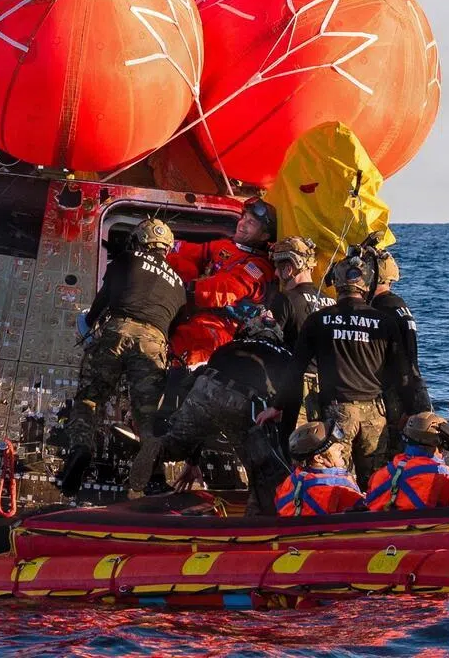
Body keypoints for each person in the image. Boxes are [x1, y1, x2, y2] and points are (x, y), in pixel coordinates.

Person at [261, 248, 418, 489]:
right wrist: (413, 409)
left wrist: (276, 405)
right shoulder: (384, 322)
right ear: (366, 283)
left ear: (337, 284)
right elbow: (403, 372)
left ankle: (335, 518)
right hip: (375, 414)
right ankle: (378, 522)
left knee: (335, 479)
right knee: (377, 482)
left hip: (337, 413)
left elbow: (296, 368)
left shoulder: (318, 320)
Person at [59, 218, 188, 496]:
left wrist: (91, 323)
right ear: (166, 248)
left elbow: (104, 298)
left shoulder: (128, 259)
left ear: (140, 240)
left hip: (117, 330)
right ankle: (153, 479)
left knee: (89, 399)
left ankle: (80, 449)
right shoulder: (178, 284)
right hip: (155, 342)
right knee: (148, 418)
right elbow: (174, 327)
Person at [127, 310, 294, 514]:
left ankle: (160, 446)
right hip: (244, 400)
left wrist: (192, 457)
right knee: (265, 476)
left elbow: (201, 391)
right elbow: (292, 397)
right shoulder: (286, 354)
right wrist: (284, 449)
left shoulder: (228, 347)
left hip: (204, 387)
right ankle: (258, 523)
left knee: (178, 441)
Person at [166, 197, 277, 367]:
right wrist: (161, 246)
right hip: (195, 315)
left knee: (182, 344)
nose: (242, 224)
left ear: (265, 235)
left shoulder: (258, 267)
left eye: (251, 223)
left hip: (224, 329)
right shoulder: (226, 247)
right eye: (244, 217)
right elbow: (193, 251)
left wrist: (186, 288)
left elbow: (227, 287)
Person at [367, 250, 434, 449]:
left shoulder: (380, 310)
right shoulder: (399, 305)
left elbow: (397, 359)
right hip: (415, 388)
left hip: (398, 394)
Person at [268, 236, 334, 431]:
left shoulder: (285, 300)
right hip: (332, 391)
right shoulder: (332, 302)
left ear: (288, 268)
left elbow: (269, 343)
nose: (275, 273)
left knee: (295, 448)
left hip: (296, 392)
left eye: (278, 267)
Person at [364, 413, 449, 512]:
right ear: (441, 445)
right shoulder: (441, 475)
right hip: (420, 527)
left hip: (379, 526)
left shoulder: (381, 474)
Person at [275, 420, 364, 517]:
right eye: (334, 447)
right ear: (319, 458)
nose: (341, 447)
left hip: (292, 528)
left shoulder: (291, 480)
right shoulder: (339, 489)